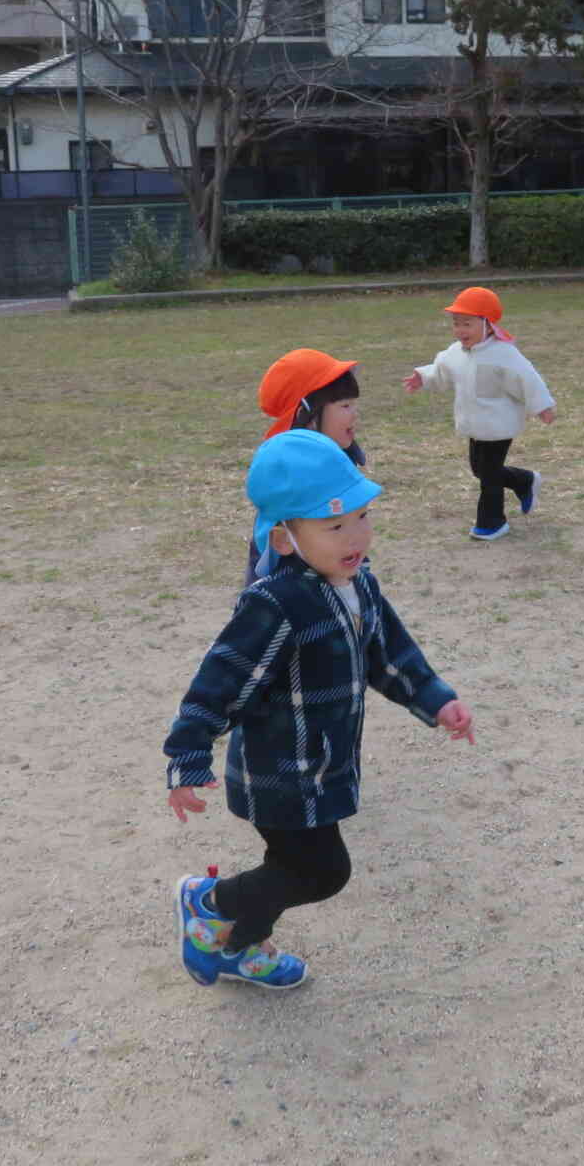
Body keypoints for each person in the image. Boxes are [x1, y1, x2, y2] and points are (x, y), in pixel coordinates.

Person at [166, 430, 474, 990]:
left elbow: (389, 655)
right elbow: (219, 683)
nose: (357, 535)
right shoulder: (277, 603)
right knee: (322, 872)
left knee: (290, 871)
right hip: (277, 775)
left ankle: (237, 945)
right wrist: (187, 756)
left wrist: (435, 699)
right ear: (285, 539)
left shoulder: (359, 584)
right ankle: (207, 902)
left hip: (324, 767)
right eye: (335, 526)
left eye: (362, 516)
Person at [402, 286, 556, 541]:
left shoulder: (503, 354)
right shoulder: (455, 353)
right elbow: (441, 370)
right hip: (474, 424)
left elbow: (527, 378)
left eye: (467, 324)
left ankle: (492, 522)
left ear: (487, 324)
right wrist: (424, 377)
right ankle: (524, 480)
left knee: (489, 475)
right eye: (456, 324)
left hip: (499, 425)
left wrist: (542, 406)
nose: (460, 330)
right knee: (479, 469)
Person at [245, 348, 367, 585]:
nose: (355, 414)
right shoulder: (290, 473)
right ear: (307, 415)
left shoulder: (335, 459)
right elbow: (270, 555)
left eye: (353, 404)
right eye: (345, 406)